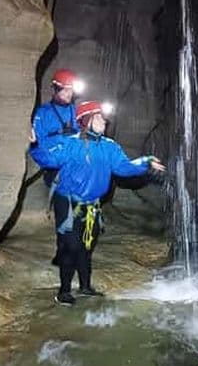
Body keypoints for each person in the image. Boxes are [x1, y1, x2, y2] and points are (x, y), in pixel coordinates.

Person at [29, 100, 166, 306]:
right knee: (71, 246)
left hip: (92, 204)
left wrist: (145, 162)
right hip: (68, 202)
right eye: (99, 117)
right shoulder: (71, 144)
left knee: (86, 246)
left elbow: (124, 167)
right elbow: (48, 158)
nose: (104, 121)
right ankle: (64, 292)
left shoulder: (109, 147)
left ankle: (85, 287)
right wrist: (34, 145)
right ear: (86, 121)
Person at [32, 68, 82, 189]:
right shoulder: (43, 113)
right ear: (56, 89)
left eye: (71, 91)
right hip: (54, 165)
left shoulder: (75, 111)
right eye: (66, 90)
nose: (69, 94)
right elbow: (38, 148)